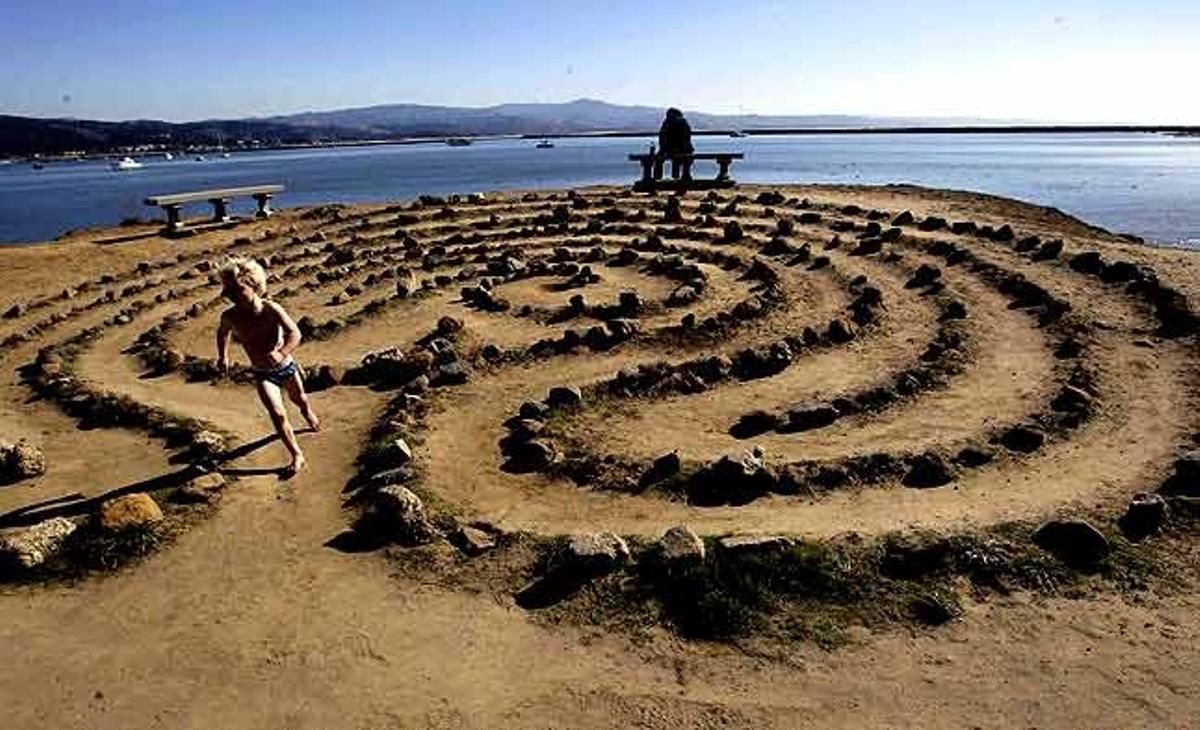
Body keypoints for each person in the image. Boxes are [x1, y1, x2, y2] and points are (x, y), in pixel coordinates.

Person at [216, 256, 320, 475]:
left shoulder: (271, 309)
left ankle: (306, 411)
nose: (232, 297)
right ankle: (296, 454)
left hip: (287, 367)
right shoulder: (230, 316)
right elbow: (222, 332)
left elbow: (295, 333)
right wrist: (222, 356)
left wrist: (282, 352)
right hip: (262, 373)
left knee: (299, 399)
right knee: (277, 414)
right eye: (229, 293)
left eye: (237, 290)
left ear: (253, 285)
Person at [656, 107, 695, 180]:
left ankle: (658, 177)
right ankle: (682, 176)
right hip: (682, 149)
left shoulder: (667, 123)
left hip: (673, 150)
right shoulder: (683, 123)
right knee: (681, 159)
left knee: (660, 160)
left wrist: (663, 150)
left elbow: (662, 138)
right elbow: (686, 138)